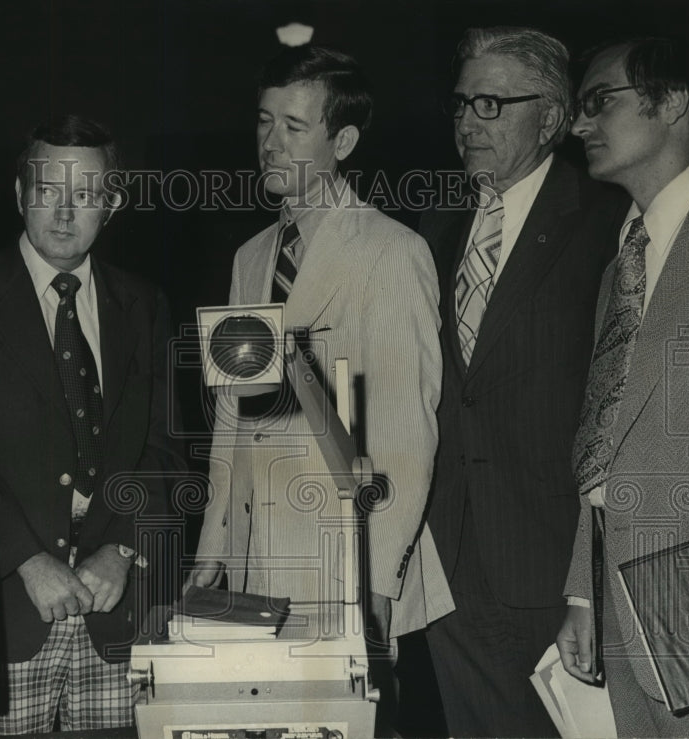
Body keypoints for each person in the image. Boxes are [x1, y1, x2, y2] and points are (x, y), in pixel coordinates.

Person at [188, 44, 452, 730]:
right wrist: (212, 547)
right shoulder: (250, 258)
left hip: (341, 564)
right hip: (253, 565)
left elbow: (405, 435)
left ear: (343, 140)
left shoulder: (393, 252)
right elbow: (231, 414)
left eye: (294, 127)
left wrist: (377, 584)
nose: (271, 143)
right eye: (263, 121)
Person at [0, 114, 185, 733]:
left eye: (86, 195)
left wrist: (121, 548)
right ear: (20, 195)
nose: (64, 214)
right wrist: (25, 560)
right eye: (47, 191)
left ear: (111, 204)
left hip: (115, 616)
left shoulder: (145, 304)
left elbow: (166, 449)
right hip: (7, 614)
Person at [418, 27, 628, 737]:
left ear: (552, 116)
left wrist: (588, 582)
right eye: (460, 104)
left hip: (556, 566)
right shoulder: (437, 223)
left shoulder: (606, 225)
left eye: (491, 104)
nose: (467, 123)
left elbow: (620, 410)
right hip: (449, 563)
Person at [557, 36, 689, 736]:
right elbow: (610, 432)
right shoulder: (619, 267)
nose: (579, 126)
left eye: (598, 102)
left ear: (672, 103)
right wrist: (584, 588)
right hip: (624, 619)